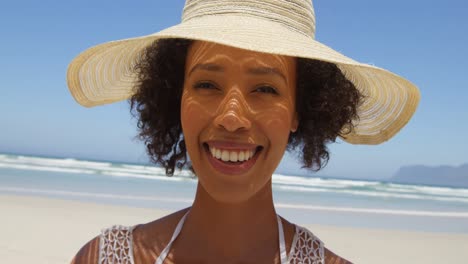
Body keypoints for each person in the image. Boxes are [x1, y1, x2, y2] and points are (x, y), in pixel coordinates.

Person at [67, 0, 420, 263]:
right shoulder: (103, 258)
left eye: (265, 89)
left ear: (301, 109)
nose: (231, 117)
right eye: (206, 84)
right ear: (176, 97)